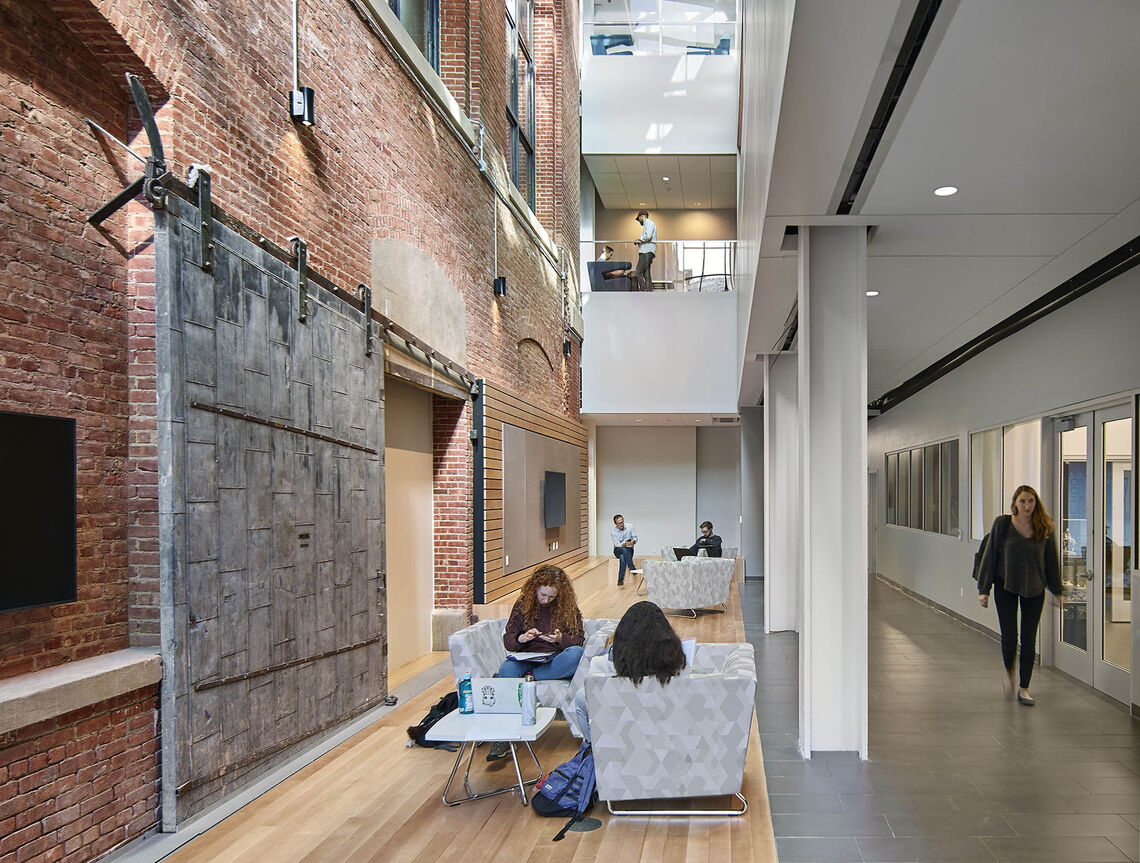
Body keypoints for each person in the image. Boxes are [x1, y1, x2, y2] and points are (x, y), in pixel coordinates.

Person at [487, 565, 585, 761]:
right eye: (542, 595)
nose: (545, 600)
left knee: (575, 654)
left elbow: (578, 639)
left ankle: (525, 678)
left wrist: (559, 640)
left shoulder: (567, 606)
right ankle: (502, 737)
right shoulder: (523, 604)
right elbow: (509, 639)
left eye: (551, 597)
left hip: (554, 659)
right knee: (507, 668)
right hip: (526, 657)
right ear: (535, 588)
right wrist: (522, 638)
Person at [976, 485, 1062, 706]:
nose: (1026, 506)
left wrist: (1058, 591)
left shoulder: (1044, 527)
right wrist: (984, 590)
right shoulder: (1003, 524)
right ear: (1015, 502)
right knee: (1009, 636)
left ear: (1036, 503)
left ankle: (1024, 688)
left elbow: (1051, 561)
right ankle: (1009, 671)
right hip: (1006, 586)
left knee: (1028, 639)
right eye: (1022, 501)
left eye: (1031, 501)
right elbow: (989, 557)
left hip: (1034, 588)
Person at [574, 601, 687, 742]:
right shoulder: (677, 664)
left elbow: (587, 702)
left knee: (580, 697)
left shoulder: (602, 665)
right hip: (667, 737)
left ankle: (593, 750)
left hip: (619, 741)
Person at [610, 513, 641, 587]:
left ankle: (620, 579)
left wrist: (633, 541)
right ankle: (631, 567)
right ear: (615, 523)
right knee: (622, 549)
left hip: (629, 549)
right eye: (619, 523)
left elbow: (635, 538)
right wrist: (624, 544)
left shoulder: (630, 526)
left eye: (622, 522)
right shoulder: (613, 531)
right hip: (618, 549)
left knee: (622, 558)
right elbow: (617, 544)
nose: (621, 524)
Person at [629, 209, 657, 291]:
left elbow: (648, 236)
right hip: (647, 251)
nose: (639, 221)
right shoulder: (648, 224)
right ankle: (648, 291)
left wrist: (639, 240)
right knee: (646, 274)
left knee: (638, 271)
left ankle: (643, 289)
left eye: (639, 219)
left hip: (646, 252)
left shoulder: (649, 223)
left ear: (642, 217)